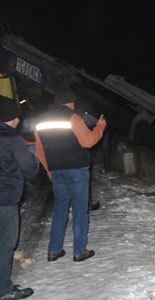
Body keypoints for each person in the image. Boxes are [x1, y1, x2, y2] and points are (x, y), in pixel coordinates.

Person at [34, 88, 107, 262]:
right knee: (80, 211)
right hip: (76, 170)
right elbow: (88, 141)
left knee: (60, 210)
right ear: (70, 103)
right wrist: (100, 127)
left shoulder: (40, 122)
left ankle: (54, 250)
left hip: (57, 171)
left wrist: (49, 170)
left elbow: (40, 150)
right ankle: (79, 251)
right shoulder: (73, 118)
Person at [0, 96, 38, 299]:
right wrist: (33, 158)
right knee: (4, 245)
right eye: (16, 117)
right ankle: (3, 290)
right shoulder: (12, 139)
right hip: (4, 200)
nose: (18, 120)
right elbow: (29, 169)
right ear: (10, 117)